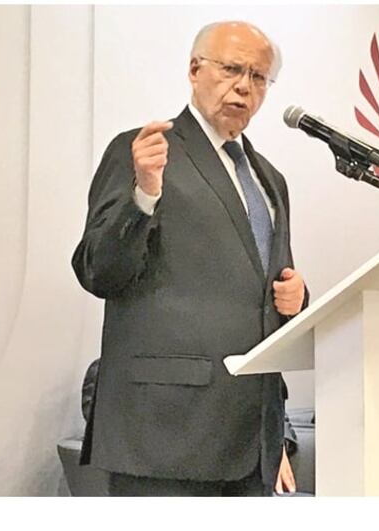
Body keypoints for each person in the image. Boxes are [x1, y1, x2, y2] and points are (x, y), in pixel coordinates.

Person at [72, 21, 307, 496]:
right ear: (195, 69)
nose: (244, 86)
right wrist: (144, 195)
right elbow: (98, 270)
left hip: (250, 435)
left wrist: (297, 299)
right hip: (166, 430)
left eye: (259, 77)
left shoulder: (269, 179)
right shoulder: (142, 152)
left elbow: (264, 289)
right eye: (231, 69)